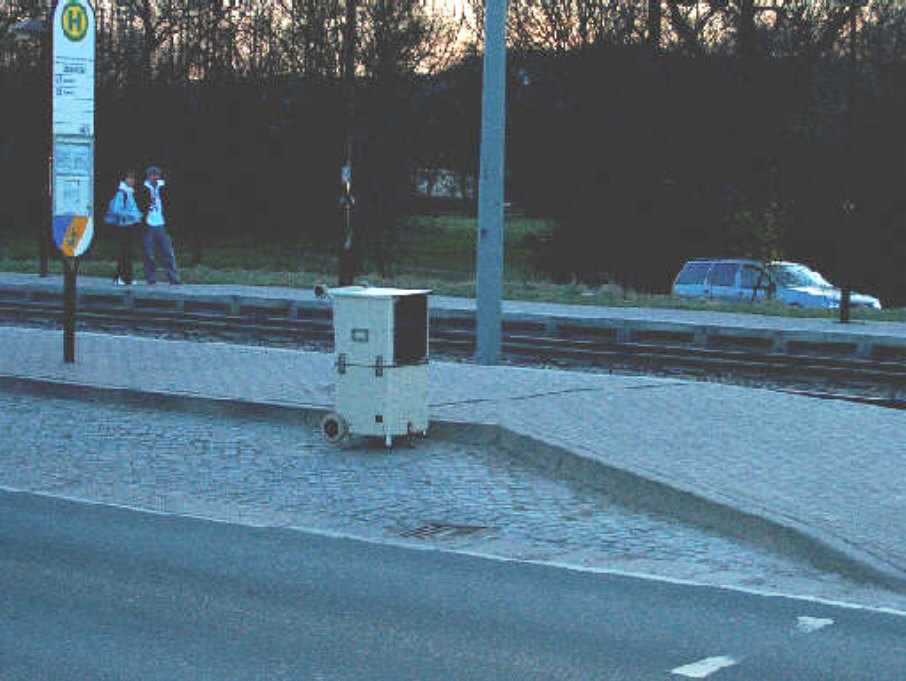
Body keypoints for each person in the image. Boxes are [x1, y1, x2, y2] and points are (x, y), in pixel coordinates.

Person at [136, 166, 181, 285]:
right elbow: (139, 205)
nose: (155, 178)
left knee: (168, 252)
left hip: (161, 222)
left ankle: (173, 277)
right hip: (148, 223)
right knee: (148, 253)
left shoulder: (164, 188)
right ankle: (151, 278)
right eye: (152, 175)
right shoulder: (143, 189)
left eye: (157, 175)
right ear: (148, 177)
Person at [111, 170, 143, 285]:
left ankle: (127, 277)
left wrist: (138, 215)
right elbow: (116, 210)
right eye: (129, 178)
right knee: (124, 253)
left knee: (128, 253)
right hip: (124, 226)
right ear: (124, 179)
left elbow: (132, 209)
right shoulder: (122, 193)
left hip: (130, 226)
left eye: (133, 178)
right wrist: (131, 215)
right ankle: (120, 277)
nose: (132, 180)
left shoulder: (129, 192)